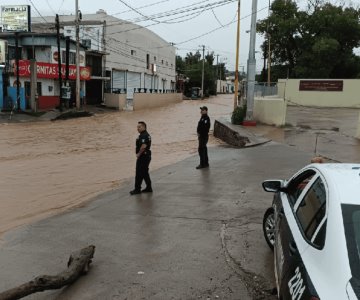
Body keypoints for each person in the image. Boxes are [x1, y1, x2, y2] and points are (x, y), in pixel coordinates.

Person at [130, 121, 153, 195]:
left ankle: (137, 189)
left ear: (144, 127)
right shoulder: (144, 134)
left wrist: (138, 154)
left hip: (143, 157)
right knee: (145, 173)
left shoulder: (144, 135)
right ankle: (149, 187)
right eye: (137, 127)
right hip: (146, 156)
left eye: (139, 127)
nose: (138, 128)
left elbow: (143, 146)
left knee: (139, 173)